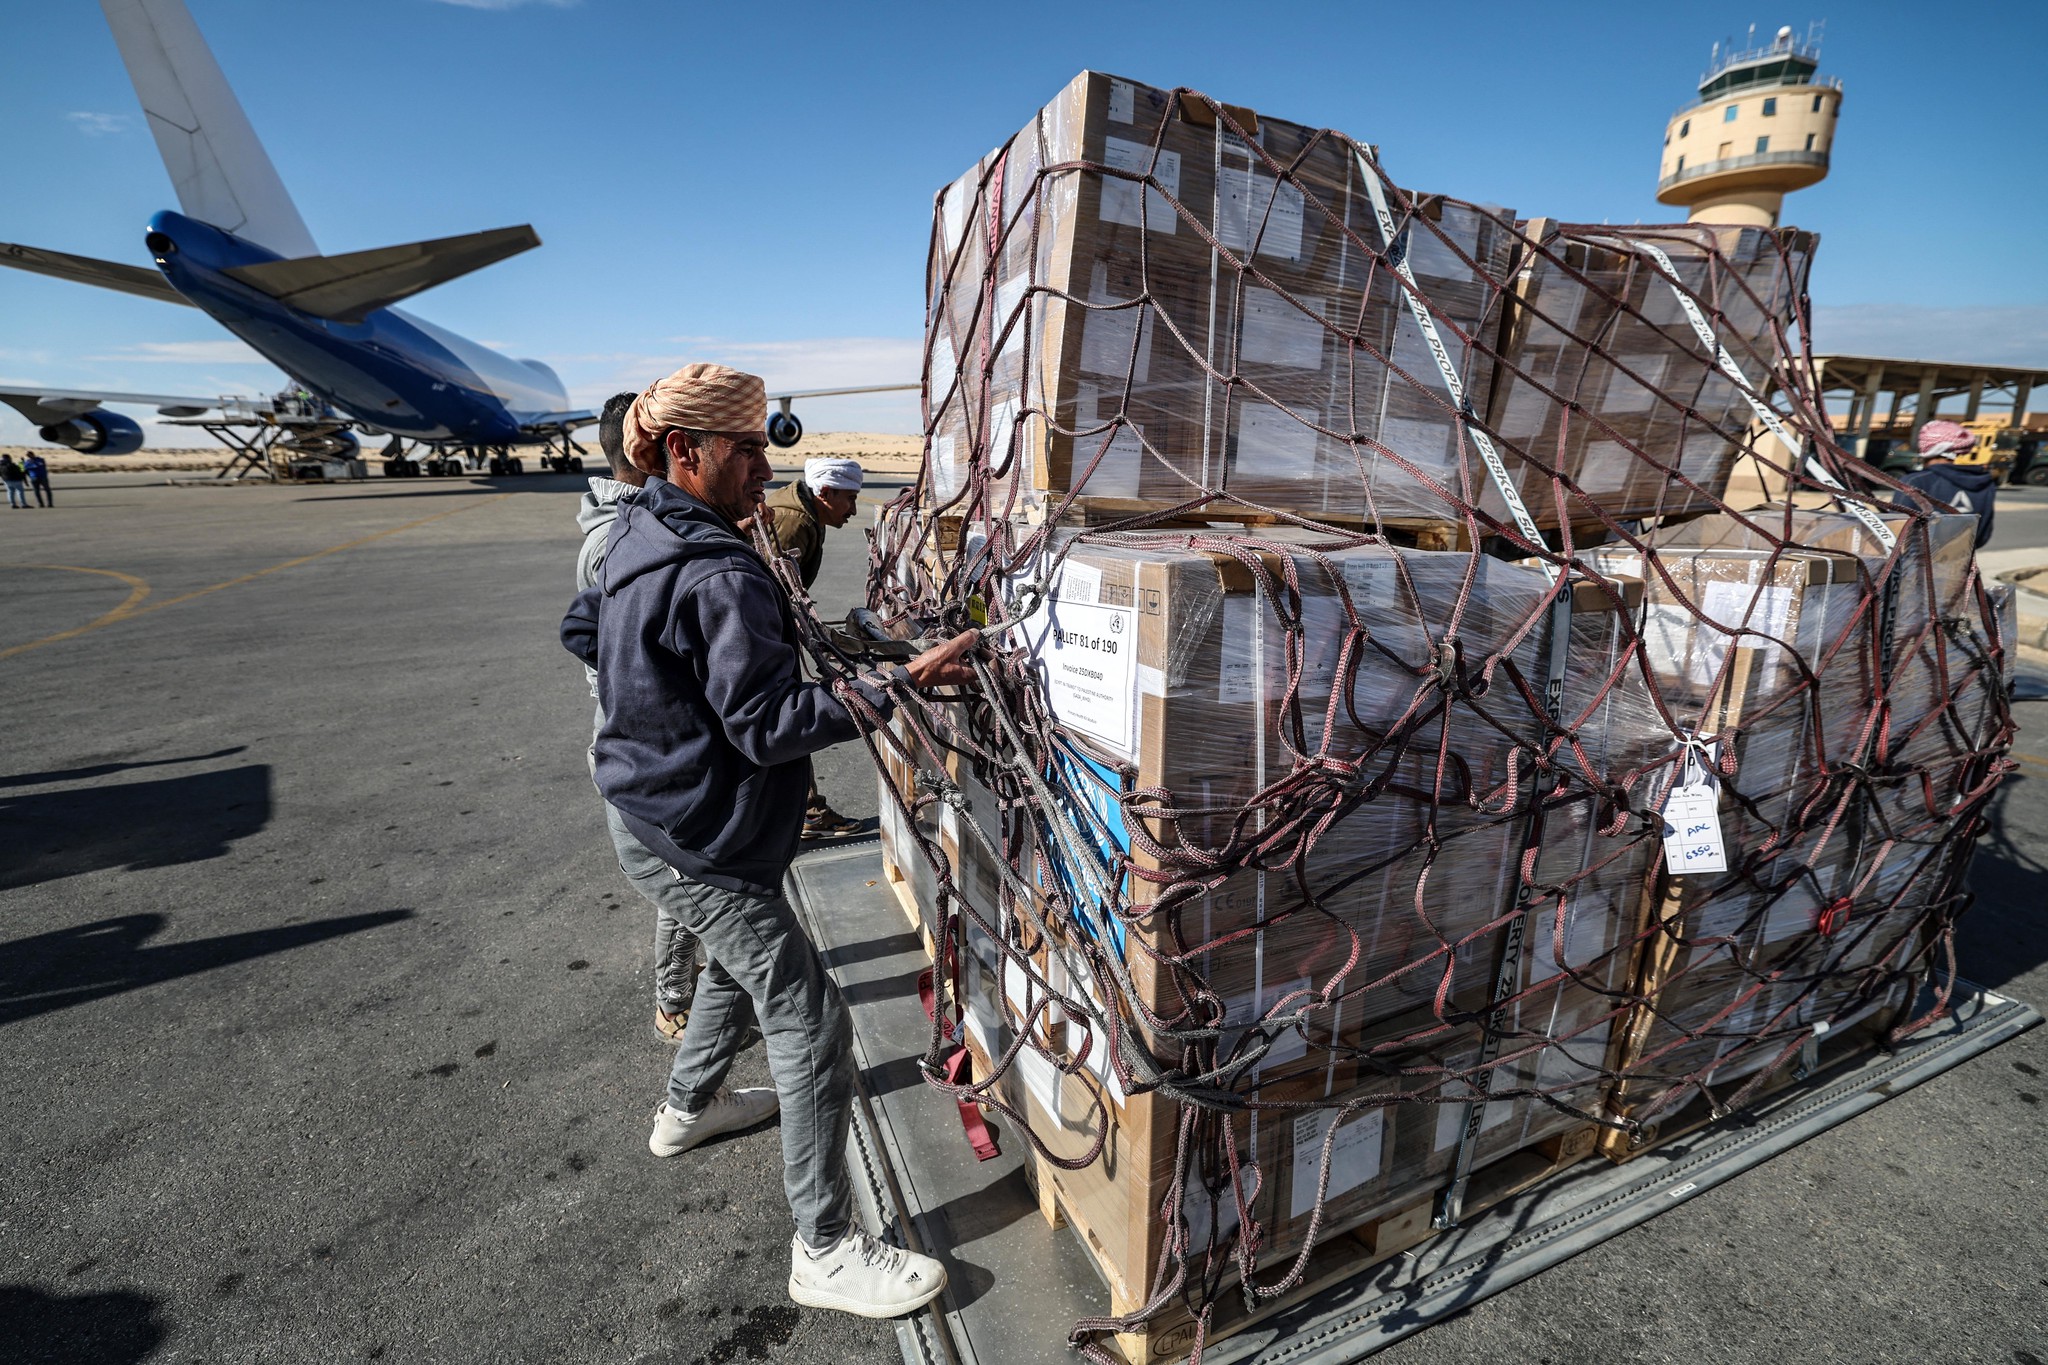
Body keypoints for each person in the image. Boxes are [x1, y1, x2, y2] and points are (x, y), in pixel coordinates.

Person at [560, 363, 978, 1320]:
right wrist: (901, 681)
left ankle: (688, 1111)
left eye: (764, 446)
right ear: (684, 450)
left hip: (661, 813)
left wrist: (654, 697)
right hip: (696, 833)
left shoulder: (635, 528)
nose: (763, 465)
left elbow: (583, 627)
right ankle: (825, 1248)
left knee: (731, 965)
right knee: (809, 1018)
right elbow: (770, 726)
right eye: (745, 448)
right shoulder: (713, 566)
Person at [576, 390, 704, 1043]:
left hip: (654, 740)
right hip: (647, 747)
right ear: (645, 450)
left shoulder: (638, 526)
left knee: (697, 881)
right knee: (684, 875)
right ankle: (673, 1001)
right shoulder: (616, 544)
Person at [756, 456, 868, 839]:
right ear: (824, 493)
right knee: (787, 722)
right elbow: (773, 589)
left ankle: (800, 810)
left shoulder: (804, 514)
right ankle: (806, 812)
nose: (853, 509)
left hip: (768, 634)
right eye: (849, 498)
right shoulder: (796, 522)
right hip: (763, 640)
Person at [1892, 418, 1998, 548]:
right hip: (1961, 564)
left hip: (1916, 566)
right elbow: (1982, 536)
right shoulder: (1985, 483)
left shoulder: (1915, 482)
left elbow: (1894, 535)